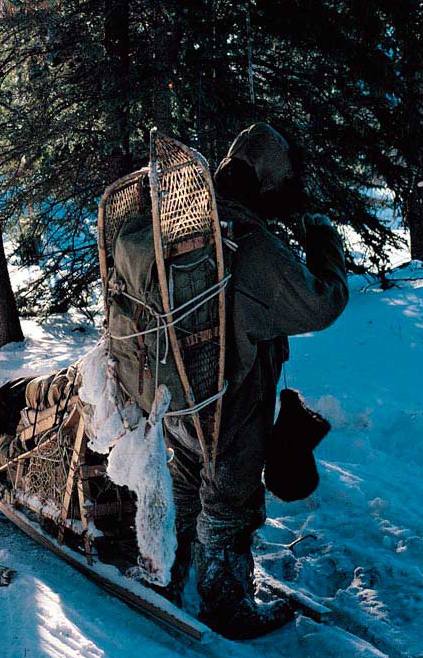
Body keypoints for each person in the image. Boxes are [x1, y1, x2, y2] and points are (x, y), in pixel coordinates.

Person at [162, 123, 349, 638]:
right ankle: (227, 603)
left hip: (178, 398)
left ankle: (170, 573)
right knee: (230, 504)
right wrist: (323, 240)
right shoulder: (251, 243)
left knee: (185, 489)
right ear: (265, 182)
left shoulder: (187, 225)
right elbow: (321, 303)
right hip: (233, 406)